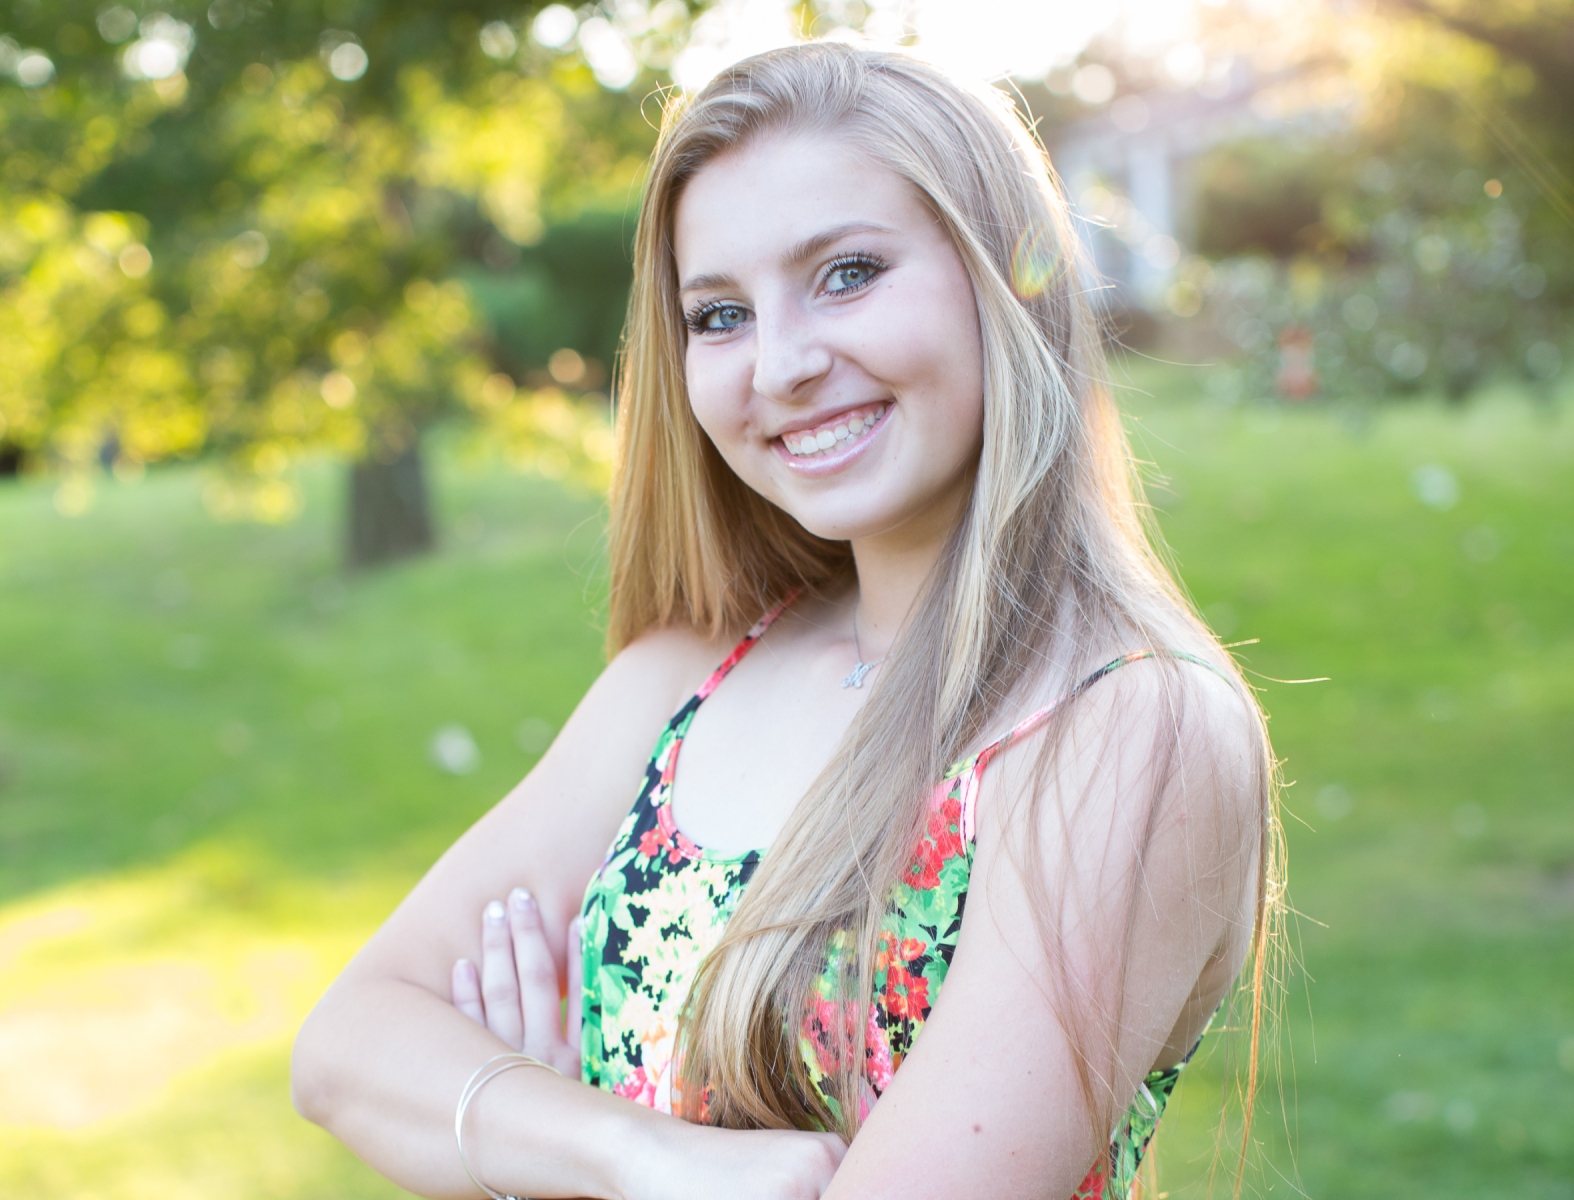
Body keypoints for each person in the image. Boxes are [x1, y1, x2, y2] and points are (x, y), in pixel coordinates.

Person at [291, 41, 1281, 1200]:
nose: (782, 364)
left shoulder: (1124, 733)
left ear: (1003, 279)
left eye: (848, 272)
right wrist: (621, 1153)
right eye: (717, 314)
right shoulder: (689, 676)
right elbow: (347, 1046)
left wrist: (509, 1131)